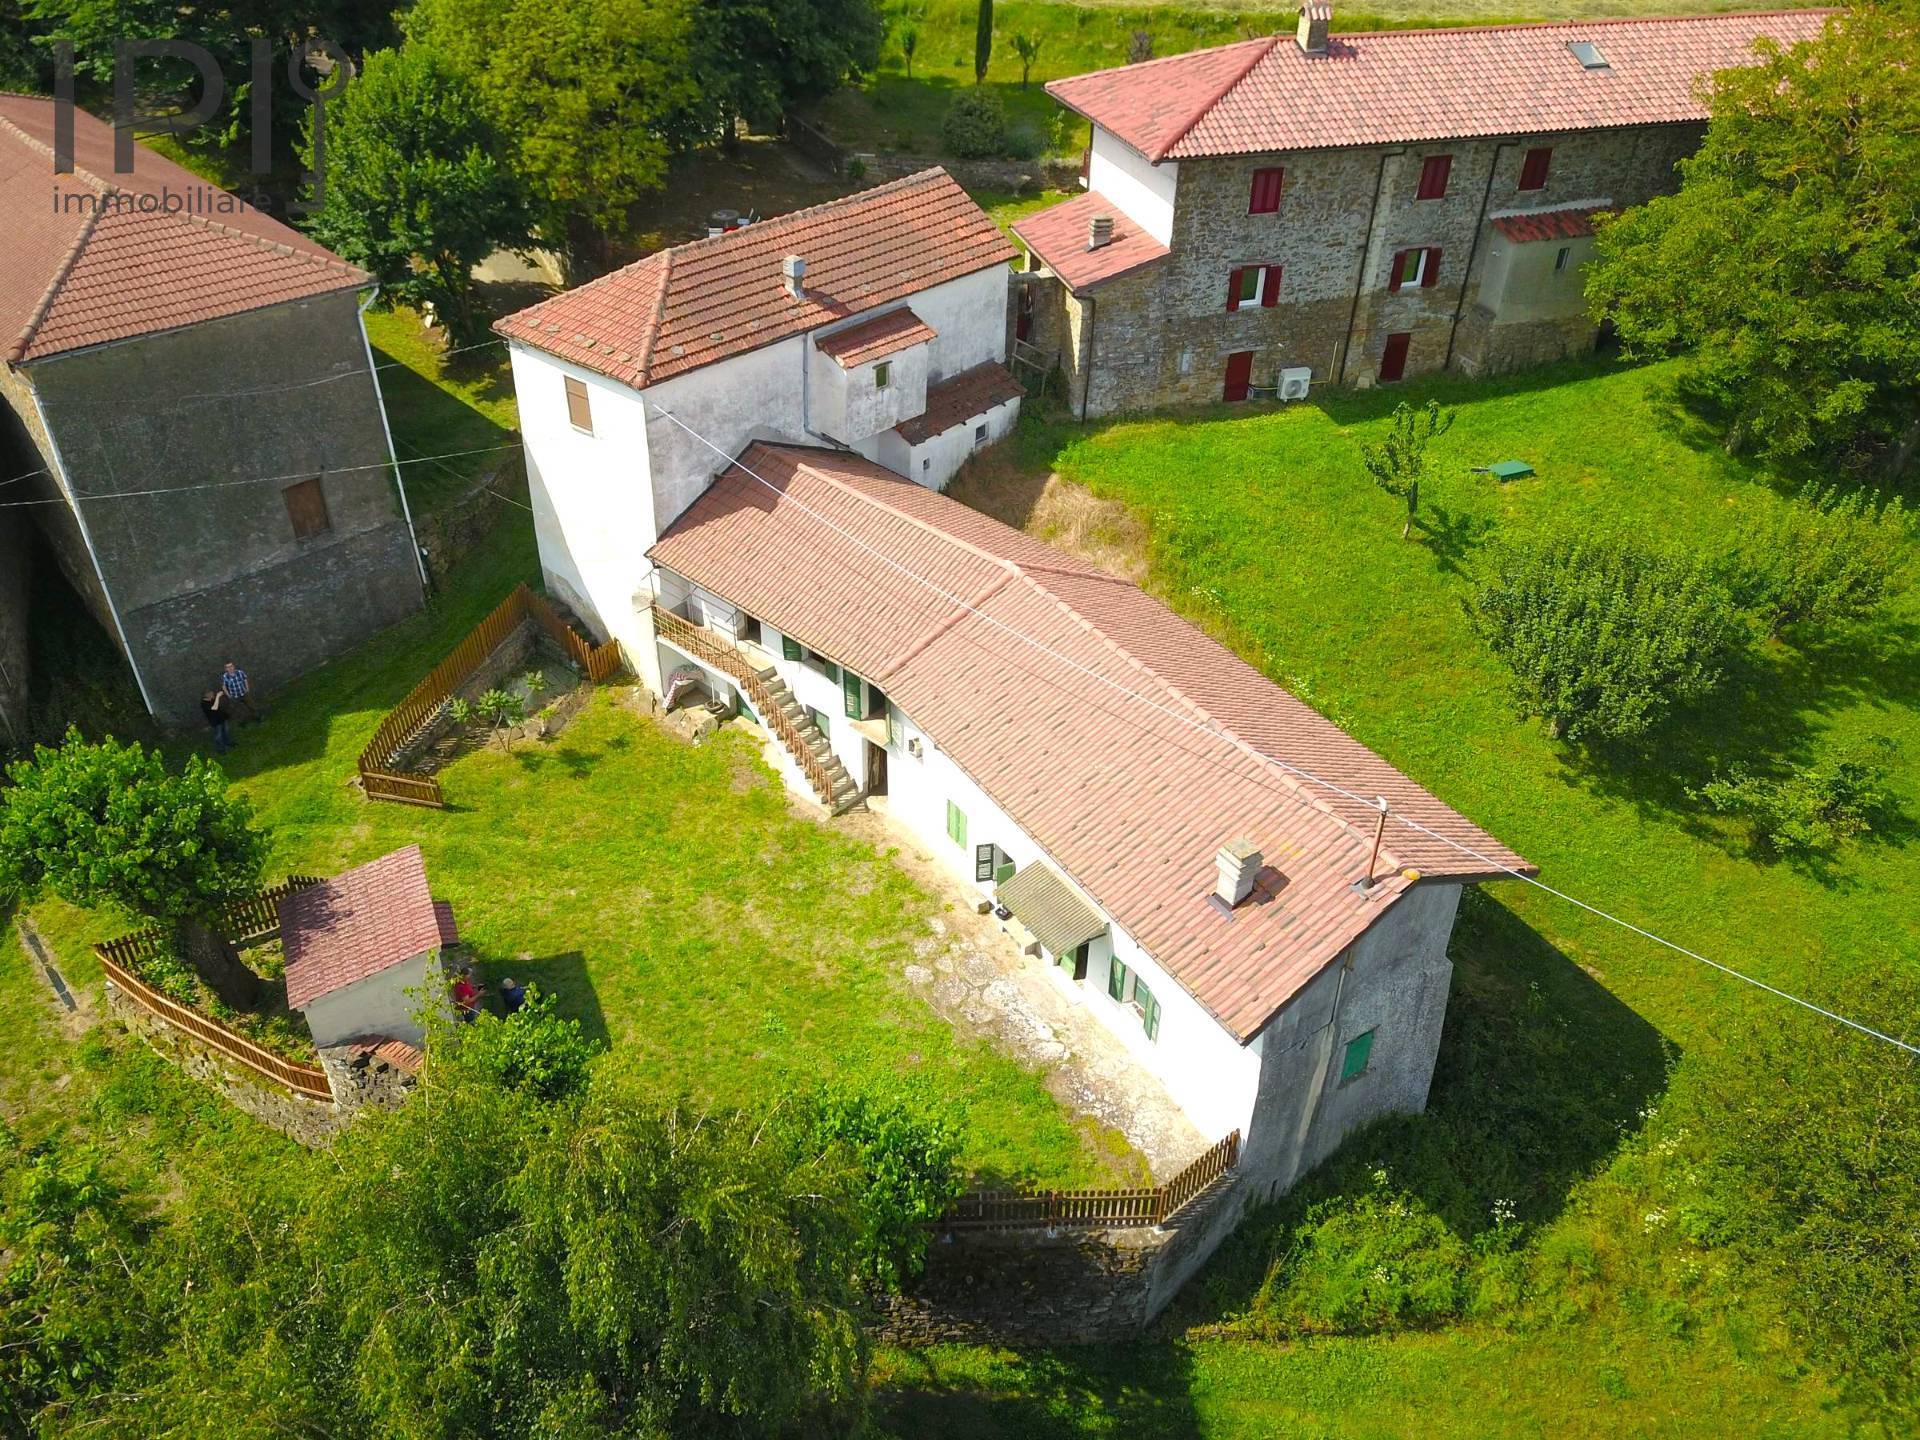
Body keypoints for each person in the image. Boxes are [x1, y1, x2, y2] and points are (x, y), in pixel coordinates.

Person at [200, 689, 231, 754]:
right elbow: (214, 708)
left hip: (222, 718)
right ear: (207, 696)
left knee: (226, 731)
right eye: (211, 694)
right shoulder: (204, 704)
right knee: (218, 735)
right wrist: (217, 697)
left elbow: (218, 708)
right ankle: (220, 749)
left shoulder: (212, 699)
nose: (213, 695)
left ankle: (228, 743)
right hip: (215, 722)